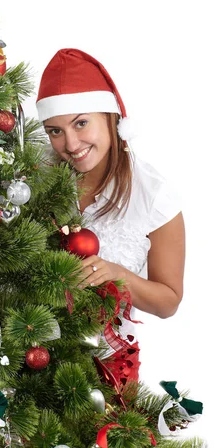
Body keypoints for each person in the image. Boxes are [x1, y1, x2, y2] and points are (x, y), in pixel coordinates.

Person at [36, 48, 185, 387]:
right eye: (54, 130)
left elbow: (168, 302)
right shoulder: (34, 179)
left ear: (111, 116)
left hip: (106, 372)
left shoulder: (154, 197)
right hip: (26, 362)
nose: (71, 144)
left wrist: (118, 275)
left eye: (81, 123)